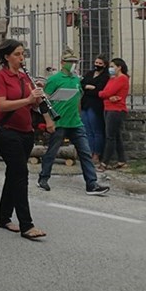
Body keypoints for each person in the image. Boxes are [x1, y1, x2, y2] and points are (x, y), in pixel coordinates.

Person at [0, 39, 48, 240]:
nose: (21, 58)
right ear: (7, 57)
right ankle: (27, 225)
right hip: (7, 131)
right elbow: (2, 105)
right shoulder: (1, 77)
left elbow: (31, 106)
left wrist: (38, 98)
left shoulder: (25, 77)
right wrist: (28, 100)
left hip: (26, 131)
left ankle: (4, 217)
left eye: (22, 54)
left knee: (13, 174)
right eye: (17, 54)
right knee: (21, 175)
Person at [37, 50, 110, 196]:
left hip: (75, 122)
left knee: (85, 152)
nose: (73, 64)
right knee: (52, 151)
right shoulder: (54, 79)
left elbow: (78, 99)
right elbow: (44, 100)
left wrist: (79, 115)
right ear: (63, 63)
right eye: (70, 61)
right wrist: (48, 120)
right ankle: (44, 178)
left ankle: (92, 184)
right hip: (60, 122)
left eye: (75, 62)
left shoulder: (76, 80)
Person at [98, 57, 130, 171]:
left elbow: (107, 93)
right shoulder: (112, 79)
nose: (110, 69)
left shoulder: (122, 79)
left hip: (116, 110)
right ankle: (122, 160)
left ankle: (104, 163)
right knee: (116, 136)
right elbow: (104, 92)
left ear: (119, 67)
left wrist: (105, 95)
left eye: (112, 66)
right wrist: (106, 95)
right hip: (108, 108)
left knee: (110, 137)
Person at [81, 54, 110, 163]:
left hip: (96, 105)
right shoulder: (90, 73)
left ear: (104, 65)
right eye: (96, 63)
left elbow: (100, 91)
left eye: (100, 63)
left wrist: (89, 88)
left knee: (96, 130)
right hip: (85, 104)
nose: (97, 65)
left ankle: (96, 153)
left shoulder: (106, 76)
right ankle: (89, 151)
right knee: (87, 130)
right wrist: (88, 87)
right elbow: (81, 84)